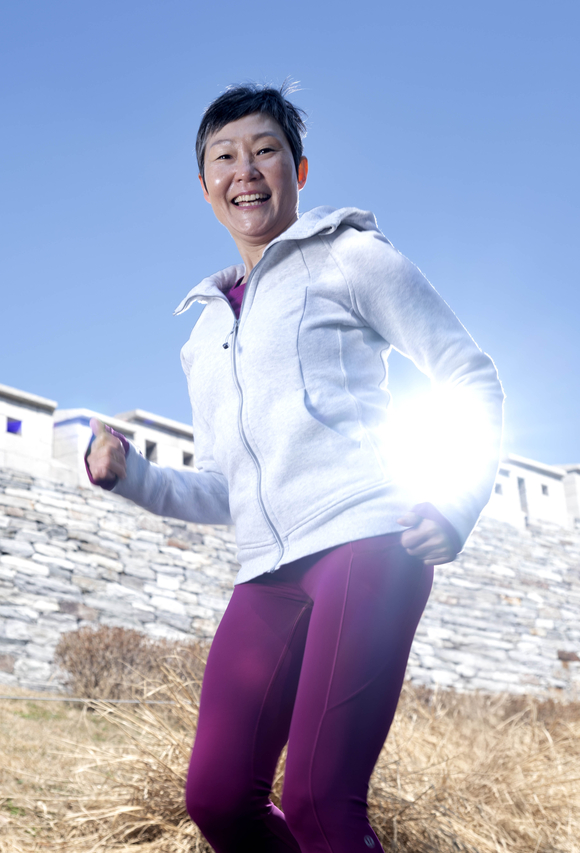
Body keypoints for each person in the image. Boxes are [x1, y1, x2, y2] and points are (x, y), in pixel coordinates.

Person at [85, 83, 504, 853]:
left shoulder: (351, 258)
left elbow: (470, 375)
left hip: (368, 546)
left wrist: (459, 497)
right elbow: (223, 488)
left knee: (319, 802)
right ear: (205, 185)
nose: (246, 170)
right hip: (267, 573)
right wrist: (129, 474)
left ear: (299, 170)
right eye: (225, 157)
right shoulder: (202, 336)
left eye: (266, 150)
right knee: (217, 801)